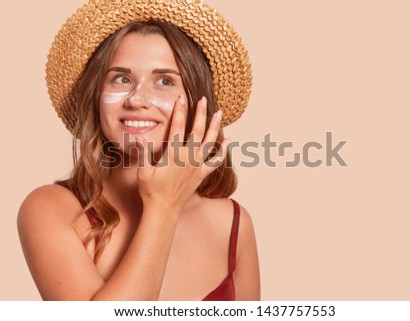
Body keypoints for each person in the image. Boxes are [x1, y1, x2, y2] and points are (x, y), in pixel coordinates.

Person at [17, 0, 260, 301]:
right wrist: (163, 207)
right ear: (96, 97)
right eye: (121, 78)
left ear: (199, 103)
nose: (138, 99)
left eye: (164, 80)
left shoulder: (233, 224)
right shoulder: (52, 210)